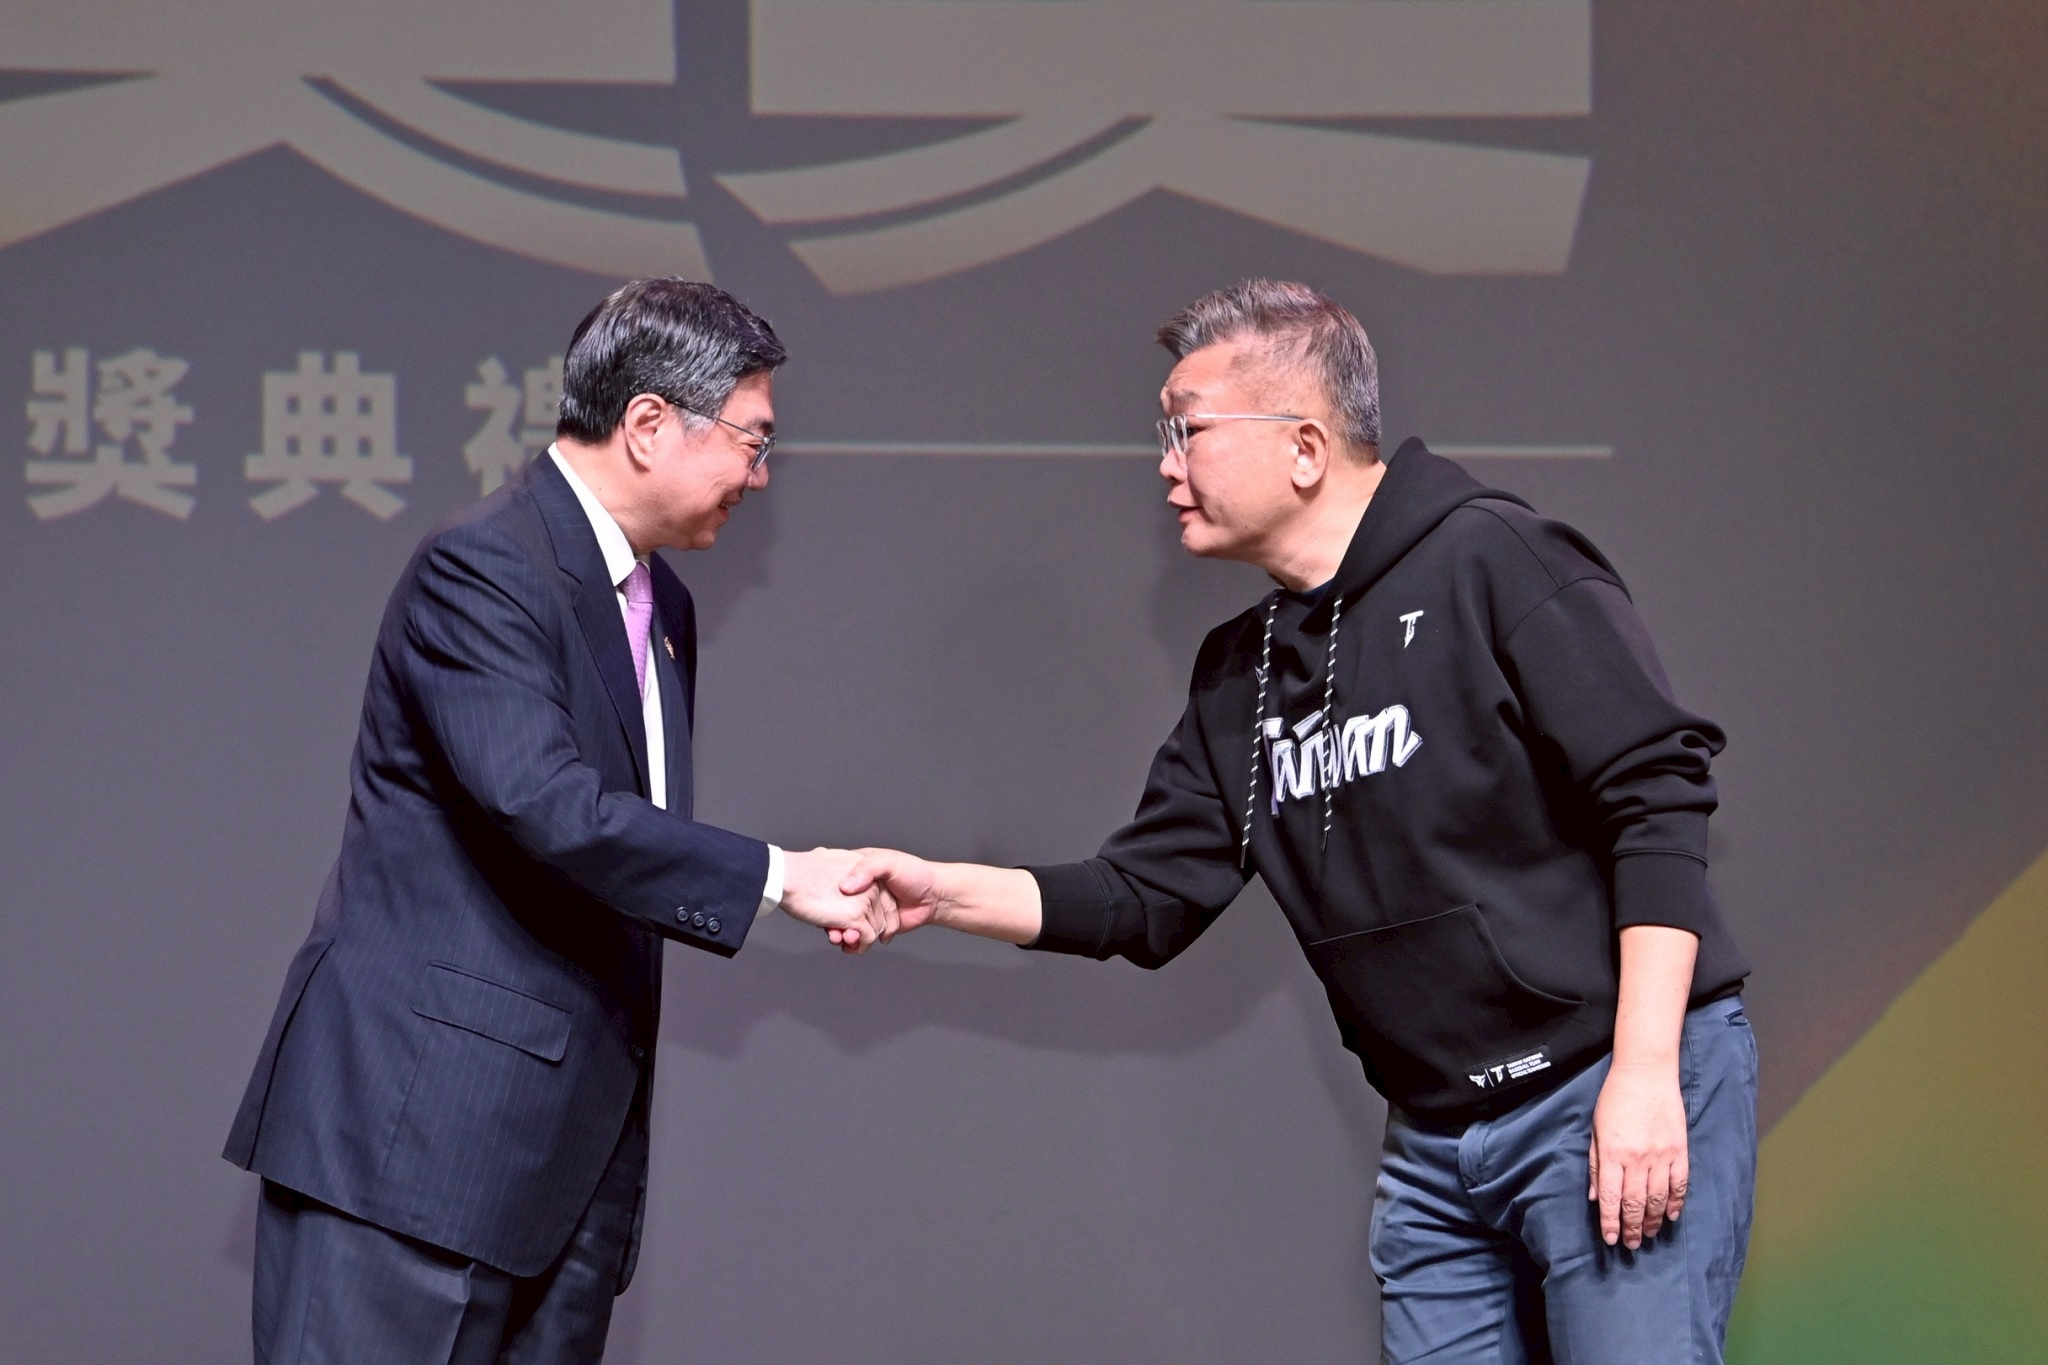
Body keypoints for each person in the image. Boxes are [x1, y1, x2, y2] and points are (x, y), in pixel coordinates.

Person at [840, 280, 1758, 1364]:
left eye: (1187, 431)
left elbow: (1654, 792)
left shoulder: (1492, 559)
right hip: (1435, 1144)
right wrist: (937, 892)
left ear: (1306, 448)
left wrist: (1644, 1075)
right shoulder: (1242, 671)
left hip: (1604, 1083)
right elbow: (1141, 897)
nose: (1165, 466)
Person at [223, 278, 887, 1364]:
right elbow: (548, 806)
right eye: (752, 440)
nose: (760, 476)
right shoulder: (486, 563)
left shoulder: (660, 605)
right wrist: (780, 876)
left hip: (562, 1175)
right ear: (648, 423)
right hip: (415, 1152)